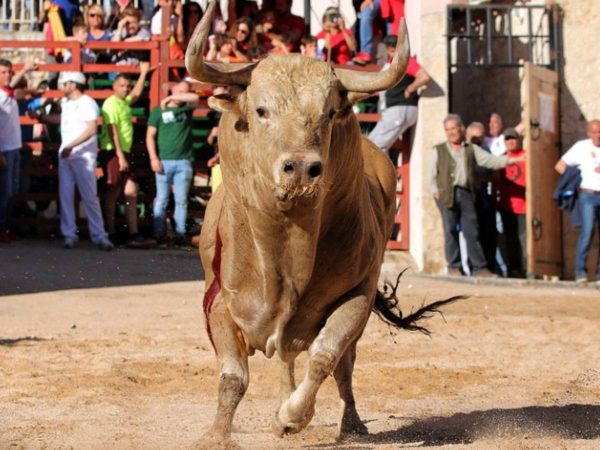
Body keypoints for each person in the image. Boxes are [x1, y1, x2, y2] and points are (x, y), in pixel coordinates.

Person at [428, 114, 524, 277]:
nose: (451, 132)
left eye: (454, 128)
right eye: (448, 129)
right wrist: (435, 192)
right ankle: (454, 266)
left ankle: (479, 268)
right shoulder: (439, 150)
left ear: (461, 129)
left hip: (466, 193)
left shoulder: (470, 148)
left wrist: (513, 160)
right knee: (450, 231)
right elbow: (431, 173)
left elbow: (490, 161)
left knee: (471, 231)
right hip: (446, 194)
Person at [37, 72, 113, 250]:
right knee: (66, 195)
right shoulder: (67, 103)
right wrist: (41, 117)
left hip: (82, 156)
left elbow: (91, 129)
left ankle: (99, 235)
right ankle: (70, 235)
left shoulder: (87, 103)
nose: (62, 87)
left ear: (73, 85)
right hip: (68, 155)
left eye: (65, 84)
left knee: (89, 196)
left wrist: (70, 145)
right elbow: (62, 120)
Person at [99, 62, 154, 248]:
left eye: (127, 86)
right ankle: (110, 232)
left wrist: (144, 73)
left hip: (124, 152)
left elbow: (136, 93)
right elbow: (112, 131)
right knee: (112, 192)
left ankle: (133, 233)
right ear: (114, 87)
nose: (125, 89)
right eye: (121, 86)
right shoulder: (111, 103)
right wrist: (120, 156)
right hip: (114, 152)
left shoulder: (123, 102)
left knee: (131, 191)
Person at [146, 81, 199, 246]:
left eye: (184, 91)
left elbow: (195, 97)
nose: (182, 93)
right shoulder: (158, 111)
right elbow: (150, 136)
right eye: (179, 89)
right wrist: (153, 158)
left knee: (181, 200)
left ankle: (180, 236)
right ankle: (158, 236)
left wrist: (172, 97)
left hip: (183, 162)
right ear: (173, 87)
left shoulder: (186, 108)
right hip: (164, 161)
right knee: (161, 199)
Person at [555, 119, 600, 284]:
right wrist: (573, 178)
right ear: (589, 133)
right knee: (587, 232)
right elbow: (560, 165)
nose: (598, 135)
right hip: (587, 194)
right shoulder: (582, 147)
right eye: (594, 132)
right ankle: (580, 271)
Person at [368, 37, 430, 155]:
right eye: (389, 51)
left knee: (376, 146)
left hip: (400, 108)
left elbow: (424, 77)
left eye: (392, 50)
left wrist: (409, 88)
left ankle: (383, 173)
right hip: (395, 110)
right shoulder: (393, 63)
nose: (391, 54)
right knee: (372, 143)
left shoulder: (405, 61)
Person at [0, 59, 37, 244]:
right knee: (5, 193)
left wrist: (24, 70)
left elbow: (12, 87)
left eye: (9, 72)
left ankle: (6, 228)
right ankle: (2, 229)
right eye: (3, 72)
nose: (7, 76)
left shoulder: (7, 94)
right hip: (5, 149)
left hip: (13, 148)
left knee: (12, 191)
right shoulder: (1, 95)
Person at [497, 128, 527, 278]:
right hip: (506, 205)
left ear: (518, 140)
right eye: (507, 139)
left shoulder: (527, 156)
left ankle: (527, 268)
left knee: (524, 239)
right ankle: (514, 269)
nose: (511, 142)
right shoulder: (502, 158)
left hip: (525, 205)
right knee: (510, 239)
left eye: (513, 138)